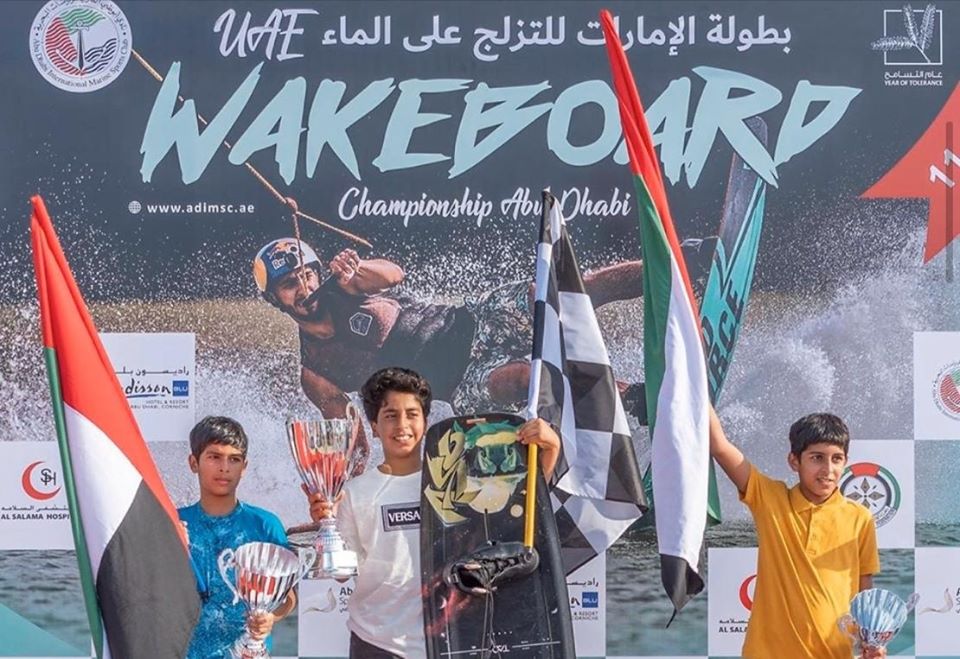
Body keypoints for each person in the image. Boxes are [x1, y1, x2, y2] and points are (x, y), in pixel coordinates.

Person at [308, 367, 561, 658]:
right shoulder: (354, 493)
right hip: (378, 643)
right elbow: (341, 574)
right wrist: (326, 525)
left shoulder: (459, 479)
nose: (402, 425)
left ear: (426, 422)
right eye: (390, 416)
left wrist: (551, 448)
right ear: (374, 426)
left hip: (453, 641)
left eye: (412, 414)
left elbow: (523, 508)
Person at [252, 238, 647, 420]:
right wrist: (338, 496)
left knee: (561, 294)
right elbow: (348, 436)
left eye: (307, 275)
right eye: (289, 284)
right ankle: (633, 400)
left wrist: (356, 268)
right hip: (464, 384)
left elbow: (393, 274)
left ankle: (669, 269)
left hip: (477, 320)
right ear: (272, 299)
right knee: (527, 379)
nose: (304, 288)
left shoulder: (348, 286)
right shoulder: (315, 374)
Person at [708, 407, 885, 659]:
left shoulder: (860, 518)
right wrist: (694, 386)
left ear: (845, 462)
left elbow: (864, 594)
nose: (828, 469)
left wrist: (870, 643)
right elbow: (719, 446)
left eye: (837, 458)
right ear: (794, 461)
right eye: (817, 458)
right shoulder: (771, 499)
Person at [178, 416, 297, 659]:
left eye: (234, 459)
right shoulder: (175, 523)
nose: (224, 467)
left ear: (244, 467)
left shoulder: (265, 525)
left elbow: (287, 597)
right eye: (214, 457)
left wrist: (270, 617)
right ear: (194, 462)